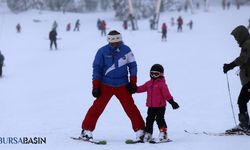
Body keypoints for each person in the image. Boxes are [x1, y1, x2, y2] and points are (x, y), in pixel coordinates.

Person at [80, 30, 145, 141]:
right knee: (97, 108)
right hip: (106, 85)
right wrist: (95, 86)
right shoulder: (102, 51)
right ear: (109, 41)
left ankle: (141, 131)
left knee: (131, 108)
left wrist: (133, 83)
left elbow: (133, 66)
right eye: (112, 42)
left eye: (117, 42)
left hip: (123, 85)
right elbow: (97, 69)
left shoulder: (126, 50)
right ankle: (86, 130)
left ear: (120, 40)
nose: (115, 44)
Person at [137, 64, 179, 142]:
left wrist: (172, 102)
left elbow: (167, 94)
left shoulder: (162, 84)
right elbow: (141, 88)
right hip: (151, 106)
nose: (153, 75)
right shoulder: (148, 83)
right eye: (152, 73)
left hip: (160, 106)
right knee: (149, 119)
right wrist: (133, 89)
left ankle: (163, 134)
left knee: (159, 119)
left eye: (156, 74)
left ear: (161, 74)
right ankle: (148, 134)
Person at [223, 25, 250, 133]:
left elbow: (243, 59)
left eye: (237, 37)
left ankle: (244, 125)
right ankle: (246, 124)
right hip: (248, 80)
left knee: (242, 101)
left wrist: (230, 65)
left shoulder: (248, 44)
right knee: (242, 100)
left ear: (241, 35)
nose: (236, 40)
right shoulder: (247, 43)